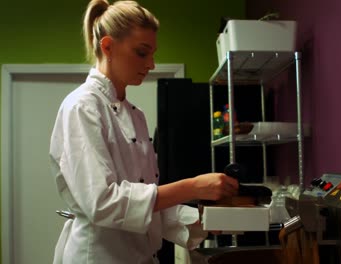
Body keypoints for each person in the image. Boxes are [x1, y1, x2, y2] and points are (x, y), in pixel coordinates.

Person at [49, 1, 239, 263]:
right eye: (142, 52)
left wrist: (203, 221)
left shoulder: (135, 115)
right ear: (107, 46)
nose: (151, 63)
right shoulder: (82, 107)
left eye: (153, 53)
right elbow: (103, 203)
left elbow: (144, 204)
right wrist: (193, 187)